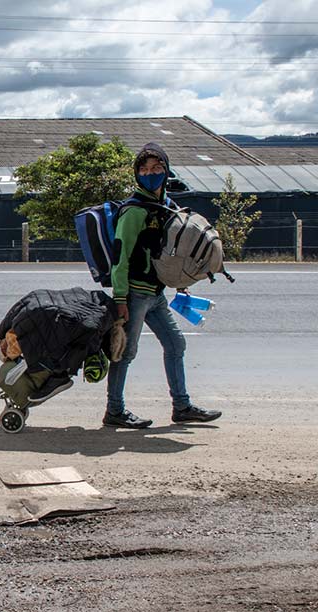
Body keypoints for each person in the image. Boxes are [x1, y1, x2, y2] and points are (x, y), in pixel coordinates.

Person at [103, 143, 222, 429]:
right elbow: (119, 258)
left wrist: (180, 284)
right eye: (144, 170)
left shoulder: (166, 207)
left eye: (156, 168)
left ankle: (182, 407)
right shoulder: (133, 212)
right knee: (125, 352)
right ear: (136, 174)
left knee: (175, 344)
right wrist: (120, 298)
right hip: (133, 294)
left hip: (156, 294)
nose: (150, 174)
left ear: (166, 170)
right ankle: (114, 411)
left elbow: (174, 253)